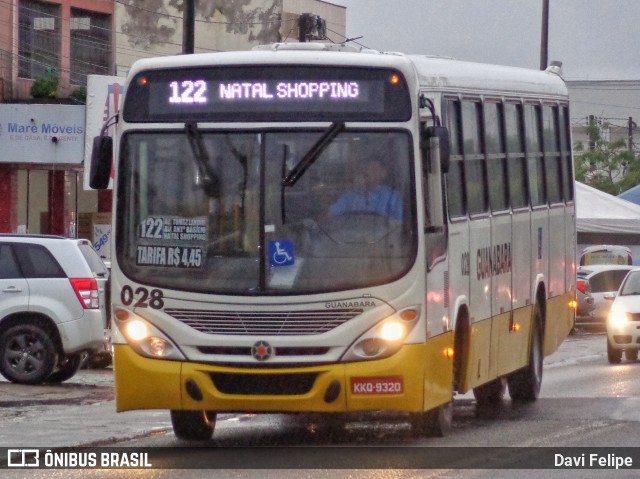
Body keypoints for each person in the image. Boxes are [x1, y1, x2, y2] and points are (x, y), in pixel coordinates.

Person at [329, 158, 403, 220]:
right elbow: (329, 214)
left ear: (383, 173)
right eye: (366, 169)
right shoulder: (350, 196)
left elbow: (400, 224)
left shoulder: (392, 197)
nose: (368, 173)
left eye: (373, 170)